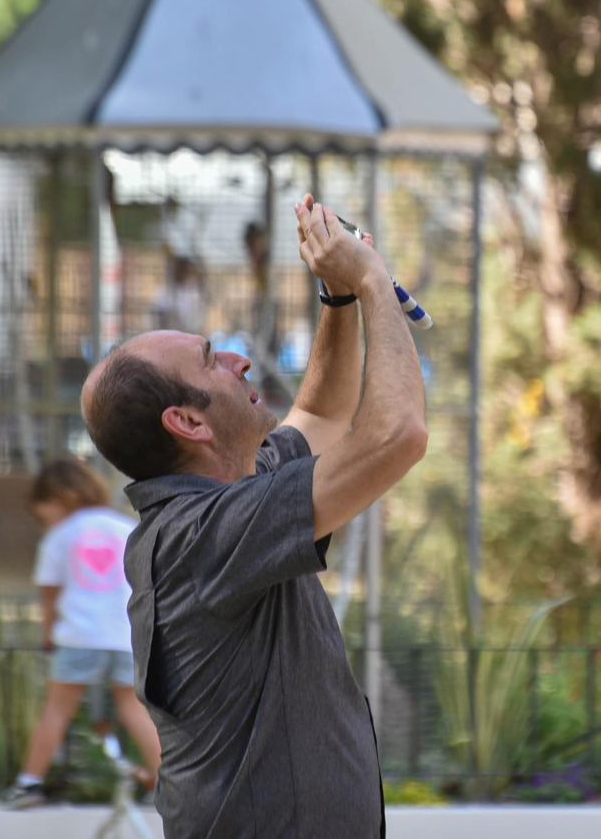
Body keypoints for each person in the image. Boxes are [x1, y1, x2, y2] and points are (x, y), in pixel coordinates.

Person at [80, 196, 426, 839]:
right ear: (187, 422)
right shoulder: (201, 537)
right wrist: (375, 279)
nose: (239, 359)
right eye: (213, 358)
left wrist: (339, 296)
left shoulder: (229, 496)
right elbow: (398, 434)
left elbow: (321, 416)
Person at [0, 458, 163, 809]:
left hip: (77, 636)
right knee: (134, 710)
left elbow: (49, 595)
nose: (43, 522)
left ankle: (30, 784)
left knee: (57, 710)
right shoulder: (125, 528)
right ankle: (164, 785)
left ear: (56, 499)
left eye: (42, 514)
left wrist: (47, 635)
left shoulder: (59, 537)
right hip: (124, 636)